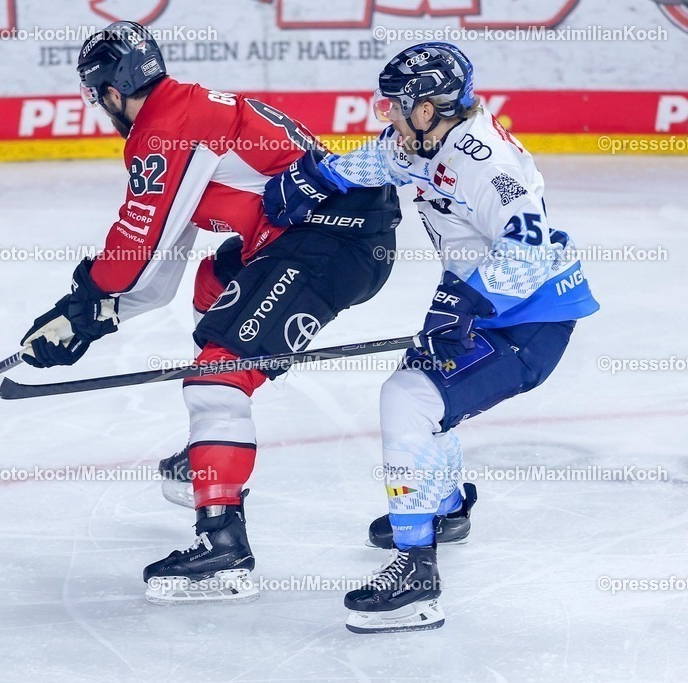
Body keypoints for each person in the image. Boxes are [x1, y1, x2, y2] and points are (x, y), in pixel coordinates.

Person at [20, 20, 402, 604]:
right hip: (312, 236)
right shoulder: (185, 109)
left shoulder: (166, 129)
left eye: (99, 98)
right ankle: (211, 448)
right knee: (212, 287)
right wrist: (98, 314)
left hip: (330, 244)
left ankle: (224, 546)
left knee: (216, 380)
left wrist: (80, 304)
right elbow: (160, 270)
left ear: (113, 92)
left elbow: (135, 249)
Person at [264, 42, 599, 631]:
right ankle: (443, 509)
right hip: (493, 308)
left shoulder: (486, 163)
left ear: (426, 109)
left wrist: (466, 303)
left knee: (410, 399)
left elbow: (531, 248)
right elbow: (384, 162)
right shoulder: (428, 139)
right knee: (426, 394)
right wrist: (317, 176)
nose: (387, 115)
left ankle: (417, 576)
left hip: (530, 320)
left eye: (395, 105)